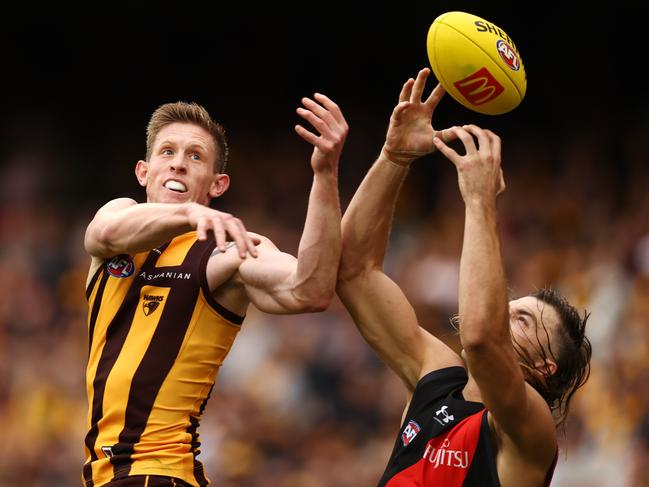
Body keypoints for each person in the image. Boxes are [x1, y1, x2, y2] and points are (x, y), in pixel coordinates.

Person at [336, 67, 592, 486]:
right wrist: (394, 157)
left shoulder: (529, 426)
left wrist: (479, 200)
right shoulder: (435, 377)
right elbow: (352, 270)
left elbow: (481, 337)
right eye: (509, 308)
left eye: (523, 320)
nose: (502, 315)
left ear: (546, 367)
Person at [82, 94, 348, 487]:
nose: (177, 162)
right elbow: (103, 234)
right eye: (167, 151)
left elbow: (310, 290)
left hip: (159, 473)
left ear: (217, 183)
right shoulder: (117, 216)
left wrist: (325, 176)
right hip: (104, 477)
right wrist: (189, 212)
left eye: (195, 157)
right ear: (143, 171)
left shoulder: (226, 250)